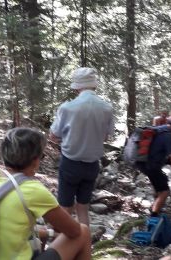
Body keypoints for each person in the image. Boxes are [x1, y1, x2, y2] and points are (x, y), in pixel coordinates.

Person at [0, 128, 91, 260]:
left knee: (38, 225)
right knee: (83, 231)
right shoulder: (32, 189)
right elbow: (74, 231)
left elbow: (7, 230)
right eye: (42, 156)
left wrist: (50, 234)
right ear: (34, 160)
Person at [50, 67, 114, 226]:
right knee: (83, 208)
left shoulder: (67, 107)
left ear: (77, 87)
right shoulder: (107, 108)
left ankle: (60, 248)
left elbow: (54, 135)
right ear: (94, 85)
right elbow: (107, 136)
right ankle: (85, 247)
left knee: (65, 208)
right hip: (92, 165)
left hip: (70, 162)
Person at [136, 118, 171, 217]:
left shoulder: (158, 128)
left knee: (160, 182)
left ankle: (155, 205)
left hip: (141, 162)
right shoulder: (168, 135)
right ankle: (154, 215)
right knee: (165, 191)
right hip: (151, 165)